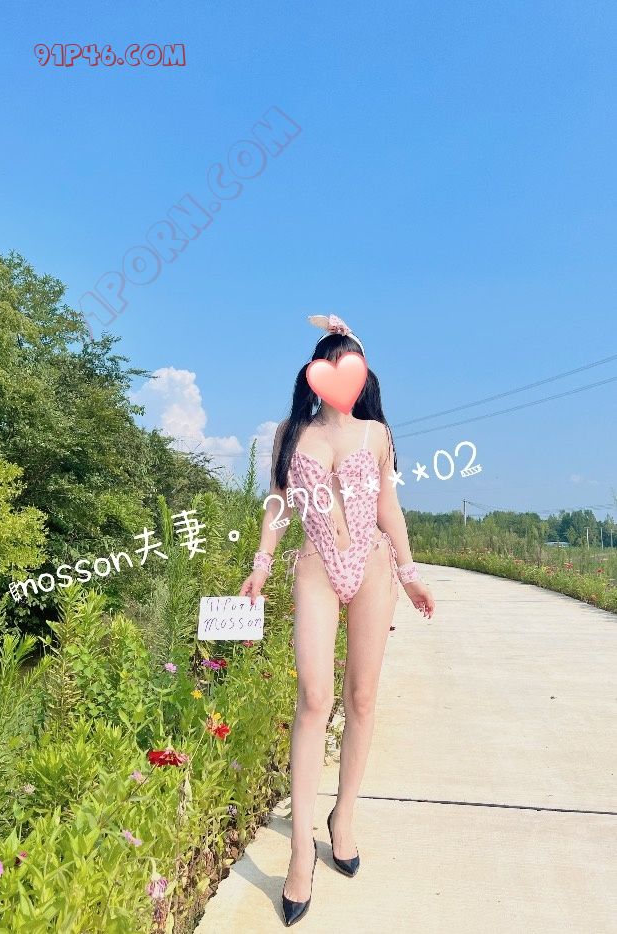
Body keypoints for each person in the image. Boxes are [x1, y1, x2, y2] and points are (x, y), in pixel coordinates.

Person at [239, 314, 435, 927]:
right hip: (315, 567)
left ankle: (342, 816)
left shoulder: (377, 434)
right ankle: (300, 853)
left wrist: (409, 571)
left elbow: (388, 505)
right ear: (313, 376)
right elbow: (278, 504)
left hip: (373, 566)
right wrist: (261, 565)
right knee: (314, 698)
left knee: (363, 696)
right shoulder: (289, 434)